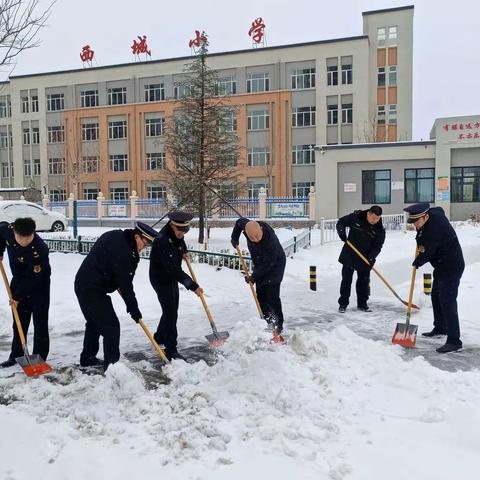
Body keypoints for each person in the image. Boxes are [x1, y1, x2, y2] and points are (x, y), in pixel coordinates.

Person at [75, 222, 157, 370]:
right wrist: (134, 309)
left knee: (94, 323)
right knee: (111, 327)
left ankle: (88, 358)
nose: (145, 248)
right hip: (92, 288)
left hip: (84, 283)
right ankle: (113, 368)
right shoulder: (125, 253)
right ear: (137, 236)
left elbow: (116, 274)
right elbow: (125, 285)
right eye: (145, 243)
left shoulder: (117, 235)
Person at [404, 203, 465, 353]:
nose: (414, 226)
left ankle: (454, 340)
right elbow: (439, 210)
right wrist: (419, 235)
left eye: (416, 222)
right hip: (441, 265)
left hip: (451, 266)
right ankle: (440, 327)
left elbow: (427, 252)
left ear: (425, 217)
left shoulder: (433, 230)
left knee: (447, 300)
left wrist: (418, 261)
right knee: (436, 296)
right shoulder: (432, 215)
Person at [149, 212, 202, 361]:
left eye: (185, 231)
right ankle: (171, 350)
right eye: (179, 230)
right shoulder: (163, 241)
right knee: (171, 312)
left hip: (170, 276)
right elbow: (175, 271)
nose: (182, 234)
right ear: (172, 225)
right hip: (161, 278)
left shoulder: (175, 233)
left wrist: (184, 251)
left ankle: (159, 336)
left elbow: (180, 241)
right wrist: (193, 286)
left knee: (171, 308)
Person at [0, 218, 51, 368]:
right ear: (14, 232)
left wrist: (17, 297)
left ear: (33, 233)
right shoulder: (7, 231)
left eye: (28, 237)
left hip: (39, 285)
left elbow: (33, 278)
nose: (25, 241)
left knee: (40, 322)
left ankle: (39, 359)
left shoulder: (39, 250)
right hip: (18, 280)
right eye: (21, 237)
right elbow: (0, 228)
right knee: (19, 321)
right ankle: (17, 355)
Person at [231, 217, 286, 334]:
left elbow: (269, 264)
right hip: (260, 263)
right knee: (261, 294)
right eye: (251, 237)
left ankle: (278, 326)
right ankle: (266, 321)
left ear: (261, 229)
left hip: (275, 265)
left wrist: (254, 277)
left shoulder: (270, 241)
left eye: (257, 236)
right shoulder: (247, 226)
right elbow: (238, 223)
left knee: (272, 295)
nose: (255, 239)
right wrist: (234, 238)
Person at [336, 205, 385, 313]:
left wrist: (371, 258)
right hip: (350, 253)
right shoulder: (356, 217)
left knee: (364, 281)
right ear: (368, 213)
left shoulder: (379, 229)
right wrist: (342, 234)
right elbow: (341, 222)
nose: (375, 221)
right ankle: (343, 304)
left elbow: (378, 246)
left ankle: (362, 304)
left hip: (365, 258)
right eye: (373, 218)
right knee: (346, 280)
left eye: (377, 218)